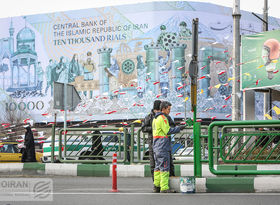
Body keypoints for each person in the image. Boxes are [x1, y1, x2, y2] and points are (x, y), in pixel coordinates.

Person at [152, 101, 184, 193]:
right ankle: (164, 188)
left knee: (157, 167)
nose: (169, 111)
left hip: (156, 146)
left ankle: (156, 186)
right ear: (164, 109)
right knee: (165, 168)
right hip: (163, 146)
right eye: (169, 109)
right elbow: (168, 130)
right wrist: (179, 128)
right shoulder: (163, 118)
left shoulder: (155, 118)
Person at [141, 100, 161, 192]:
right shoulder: (149, 117)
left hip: (162, 143)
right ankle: (156, 184)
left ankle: (164, 184)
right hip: (152, 142)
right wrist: (154, 128)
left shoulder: (163, 116)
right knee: (153, 164)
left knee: (164, 164)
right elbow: (144, 128)